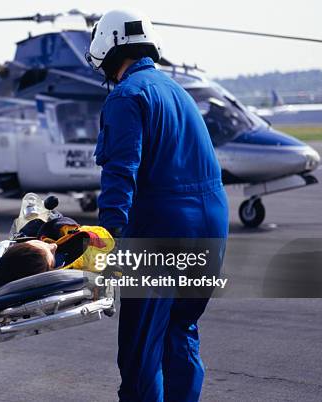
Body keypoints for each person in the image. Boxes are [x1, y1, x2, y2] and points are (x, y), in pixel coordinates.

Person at [86, 10, 229, 402]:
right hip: (212, 226)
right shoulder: (178, 91)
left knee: (141, 349)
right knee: (181, 331)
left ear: (107, 48)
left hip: (164, 230)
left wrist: (107, 236)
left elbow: (120, 171)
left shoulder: (127, 96)